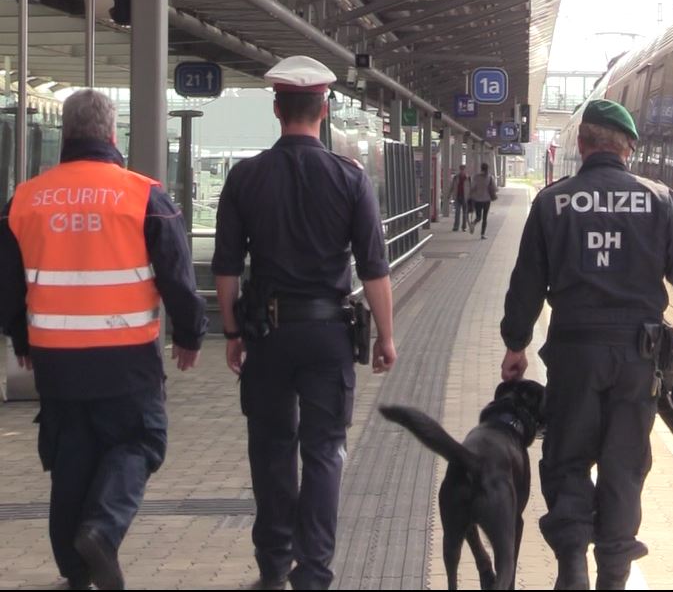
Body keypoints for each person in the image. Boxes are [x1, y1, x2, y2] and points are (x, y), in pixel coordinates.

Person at [499, 99, 673, 590]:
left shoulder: (551, 202)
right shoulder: (659, 200)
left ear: (583, 144)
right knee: (624, 465)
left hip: (573, 357)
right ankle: (613, 577)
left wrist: (516, 344)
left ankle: (572, 569)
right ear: (628, 149)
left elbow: (526, 285)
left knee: (565, 458)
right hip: (637, 358)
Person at [0, 89, 206, 590]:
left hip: (55, 361)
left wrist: (21, 340)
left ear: (68, 134)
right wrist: (191, 333)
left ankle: (76, 572)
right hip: (126, 359)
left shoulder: (23, 201)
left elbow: (8, 285)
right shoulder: (144, 196)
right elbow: (177, 276)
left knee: (71, 457)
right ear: (113, 134)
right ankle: (102, 530)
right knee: (139, 441)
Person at [213, 56, 398, 591]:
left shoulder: (245, 177)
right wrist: (386, 336)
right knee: (323, 452)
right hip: (327, 336)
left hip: (267, 337)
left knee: (271, 451)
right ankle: (313, 573)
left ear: (276, 109)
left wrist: (230, 333)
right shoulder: (350, 178)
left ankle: (272, 569)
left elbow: (226, 268)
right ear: (324, 109)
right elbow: (374, 268)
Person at [469, 162, 499, 239]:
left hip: (477, 200)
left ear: (481, 168)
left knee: (479, 217)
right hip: (486, 200)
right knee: (485, 218)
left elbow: (472, 188)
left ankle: (473, 223)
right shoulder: (490, 177)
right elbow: (495, 189)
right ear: (487, 169)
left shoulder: (476, 177)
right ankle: (482, 234)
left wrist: (471, 195)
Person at [449, 164, 472, 233]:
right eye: (461, 169)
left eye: (463, 169)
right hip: (457, 197)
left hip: (465, 197)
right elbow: (452, 186)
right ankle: (456, 227)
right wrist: (449, 194)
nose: (462, 171)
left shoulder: (468, 178)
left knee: (465, 213)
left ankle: (464, 227)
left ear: (465, 170)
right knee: (457, 212)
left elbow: (471, 188)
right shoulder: (456, 177)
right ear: (460, 170)